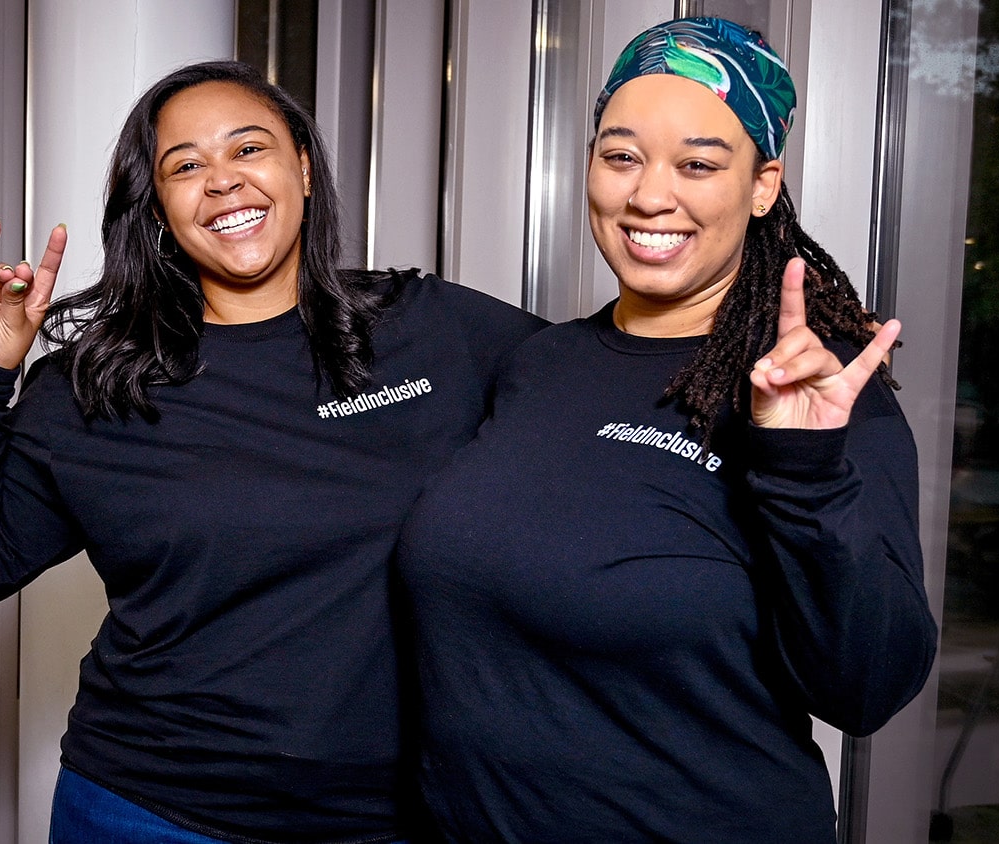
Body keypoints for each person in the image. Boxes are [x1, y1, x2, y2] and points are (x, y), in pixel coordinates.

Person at [0, 60, 544, 843]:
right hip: (152, 812)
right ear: (158, 207)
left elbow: (602, 395)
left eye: (248, 148)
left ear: (304, 167)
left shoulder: (432, 330)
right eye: (185, 166)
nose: (224, 180)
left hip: (399, 817)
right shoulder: (96, 385)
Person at [396, 17, 937, 842]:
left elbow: (867, 690)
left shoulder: (812, 392)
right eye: (621, 156)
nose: (650, 195)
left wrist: (804, 468)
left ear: (762, 185)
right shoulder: (539, 363)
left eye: (698, 164)